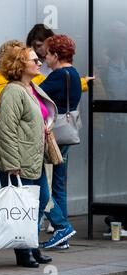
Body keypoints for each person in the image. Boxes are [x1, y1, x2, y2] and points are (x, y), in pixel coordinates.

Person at [0, 44, 72, 268]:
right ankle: (23, 252)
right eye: (33, 60)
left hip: (35, 158)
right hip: (20, 159)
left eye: (39, 60)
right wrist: (11, 164)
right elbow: (6, 130)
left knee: (39, 203)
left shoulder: (31, 87)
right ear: (19, 65)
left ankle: (33, 246)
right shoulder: (12, 91)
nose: (39, 63)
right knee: (23, 208)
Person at [38, 35, 83, 249]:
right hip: (66, 134)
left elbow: (35, 95)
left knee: (40, 183)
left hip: (53, 135)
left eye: (47, 54)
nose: (44, 58)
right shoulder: (73, 74)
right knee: (59, 184)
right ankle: (62, 235)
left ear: (56, 55)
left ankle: (61, 225)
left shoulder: (58, 75)